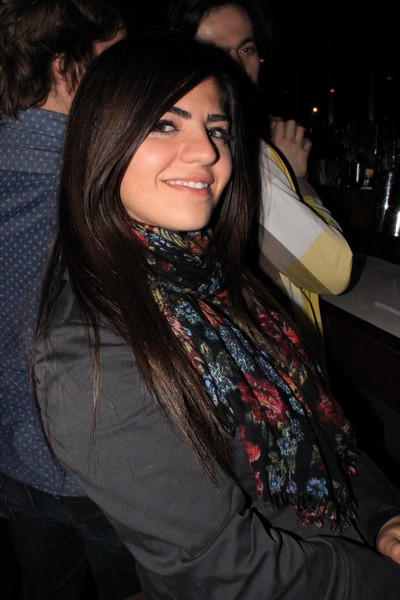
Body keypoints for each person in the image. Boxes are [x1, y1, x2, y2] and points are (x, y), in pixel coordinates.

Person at [33, 30, 400, 599]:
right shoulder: (88, 354)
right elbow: (227, 573)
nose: (207, 151)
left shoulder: (214, 276)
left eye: (218, 130)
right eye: (165, 124)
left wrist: (382, 517)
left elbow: (321, 427)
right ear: (102, 141)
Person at [0, 1, 141, 597]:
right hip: (107, 467)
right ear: (64, 66)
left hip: (16, 460)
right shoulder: (111, 174)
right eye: (114, 59)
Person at [165, 0, 353, 361]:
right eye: (214, 51)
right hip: (273, 360)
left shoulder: (202, 145)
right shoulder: (248, 154)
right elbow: (335, 269)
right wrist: (298, 178)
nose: (236, 65)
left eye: (246, 49)